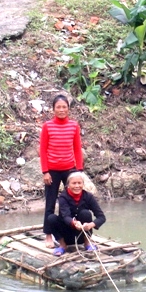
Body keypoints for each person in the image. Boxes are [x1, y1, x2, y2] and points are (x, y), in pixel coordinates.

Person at [40, 94, 83, 248]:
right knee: (50, 203)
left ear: (68, 109)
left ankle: (72, 232)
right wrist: (45, 171)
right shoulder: (47, 126)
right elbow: (43, 150)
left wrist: (79, 170)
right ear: (53, 109)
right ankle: (49, 235)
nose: (61, 110)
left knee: (72, 202)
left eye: (64, 107)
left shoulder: (74, 126)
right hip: (52, 171)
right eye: (58, 107)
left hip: (70, 170)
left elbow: (77, 149)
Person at [46, 172, 105, 256]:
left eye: (79, 183)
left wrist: (91, 225)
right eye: (74, 183)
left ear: (83, 184)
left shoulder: (88, 196)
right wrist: (74, 223)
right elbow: (66, 216)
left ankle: (87, 243)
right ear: (68, 185)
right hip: (65, 235)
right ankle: (62, 245)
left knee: (85, 213)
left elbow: (101, 217)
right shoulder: (63, 197)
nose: (77, 186)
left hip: (81, 235)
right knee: (51, 218)